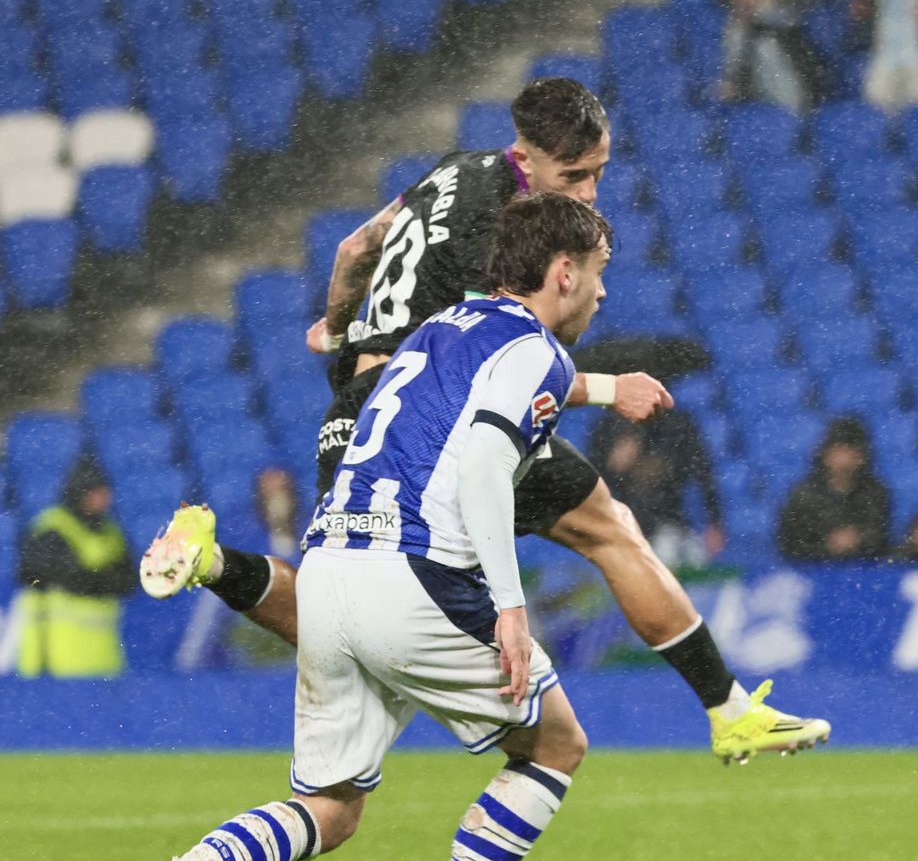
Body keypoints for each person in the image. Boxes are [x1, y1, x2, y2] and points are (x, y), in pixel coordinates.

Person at [138, 78, 829, 764]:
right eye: (574, 175)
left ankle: (215, 561)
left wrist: (339, 327)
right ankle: (729, 711)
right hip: (427, 415)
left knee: (335, 608)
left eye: (599, 173)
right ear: (526, 160)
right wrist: (610, 387)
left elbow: (355, 250)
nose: (588, 191)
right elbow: (484, 363)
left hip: (359, 410)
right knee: (610, 529)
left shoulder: (451, 172)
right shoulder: (496, 224)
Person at [69, 195, 621, 861]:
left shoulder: (440, 329)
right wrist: (508, 602)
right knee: (558, 744)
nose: (602, 293)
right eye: (599, 274)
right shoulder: (538, 351)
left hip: (328, 568)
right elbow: (484, 467)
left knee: (331, 809)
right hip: (418, 574)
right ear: (563, 272)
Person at [13, 456, 135, 677]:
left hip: (102, 654)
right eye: (97, 491)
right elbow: (61, 576)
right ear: (81, 492)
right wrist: (105, 580)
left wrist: (94, 580)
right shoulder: (52, 528)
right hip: (54, 652)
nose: (105, 498)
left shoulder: (111, 530)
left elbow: (129, 580)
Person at [587, 409, 725, 569]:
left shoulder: (675, 424)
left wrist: (714, 522)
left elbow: (703, 474)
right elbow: (591, 484)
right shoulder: (608, 427)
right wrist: (612, 468)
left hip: (675, 524)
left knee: (689, 556)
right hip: (629, 529)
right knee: (664, 555)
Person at [708, 0, 821, 112]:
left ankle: (790, 118)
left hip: (783, 30)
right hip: (744, 27)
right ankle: (734, 81)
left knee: (786, 92)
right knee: (737, 37)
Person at [776, 416, 891, 561]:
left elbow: (880, 539)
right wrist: (827, 546)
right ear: (825, 454)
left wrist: (858, 540)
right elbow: (788, 543)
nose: (844, 459)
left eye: (852, 451)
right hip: (813, 571)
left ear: (862, 457)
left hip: (861, 570)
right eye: (839, 450)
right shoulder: (803, 495)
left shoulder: (874, 493)